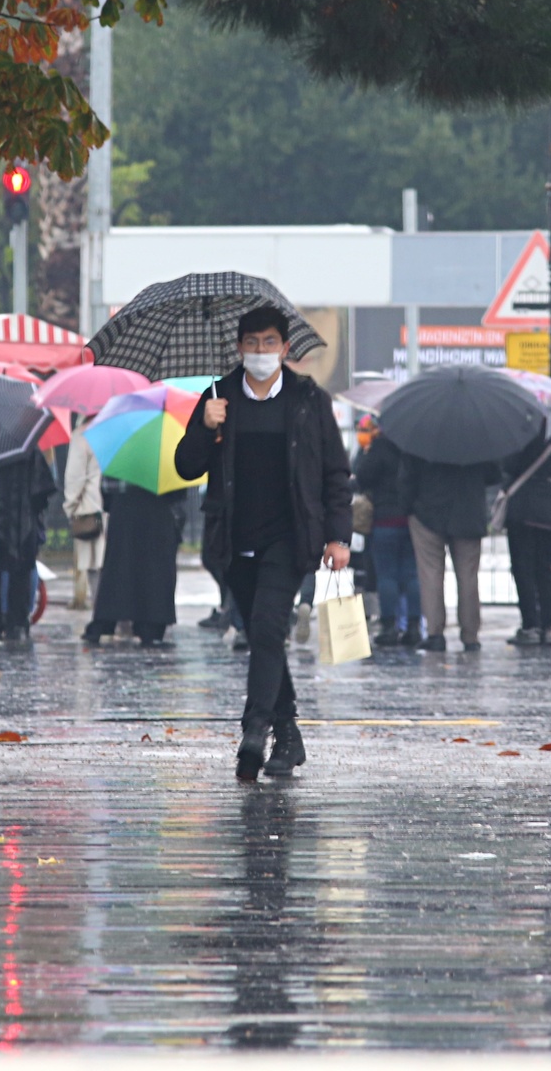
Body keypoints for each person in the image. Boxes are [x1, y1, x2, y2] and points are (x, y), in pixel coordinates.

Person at [173, 306, 352, 782]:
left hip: (290, 538)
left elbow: (335, 471)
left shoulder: (308, 399)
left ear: (285, 348)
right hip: (233, 542)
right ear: (238, 348)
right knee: (262, 636)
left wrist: (339, 535)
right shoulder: (218, 396)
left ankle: (255, 733)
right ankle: (288, 734)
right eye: (250, 344)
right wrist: (205, 427)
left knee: (269, 628)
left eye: (269, 343)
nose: (259, 352)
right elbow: (186, 467)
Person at [402, 454, 499, 652]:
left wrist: (408, 508)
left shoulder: (422, 436)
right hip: (468, 513)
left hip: (428, 512)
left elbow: (407, 478)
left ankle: (435, 633)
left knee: (431, 575)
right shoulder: (477, 438)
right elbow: (493, 474)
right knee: (468, 577)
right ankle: (470, 636)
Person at [81, 480, 186, 648]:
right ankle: (151, 626)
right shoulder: (167, 456)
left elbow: (107, 490)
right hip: (158, 512)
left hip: (124, 512)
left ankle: (105, 621)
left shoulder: (122, 456)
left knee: (119, 569)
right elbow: (179, 491)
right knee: (155, 572)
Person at [501, 427, 551, 646]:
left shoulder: (522, 436)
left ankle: (530, 625)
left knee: (522, 569)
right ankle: (548, 626)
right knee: (544, 569)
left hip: (523, 510)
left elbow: (508, 467)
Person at [355, 424, 419, 646]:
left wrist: (368, 450)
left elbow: (362, 476)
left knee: (387, 575)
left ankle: (389, 627)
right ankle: (413, 627)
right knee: (412, 574)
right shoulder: (415, 444)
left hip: (384, 519)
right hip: (412, 519)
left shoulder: (380, 445)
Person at [0, 448, 55, 643]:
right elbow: (42, 492)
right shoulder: (30, 451)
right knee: (21, 571)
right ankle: (17, 623)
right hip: (24, 525)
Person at [62, 429, 106, 610]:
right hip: (118, 509)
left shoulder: (84, 434)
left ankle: (102, 615)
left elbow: (74, 478)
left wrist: (70, 508)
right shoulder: (123, 429)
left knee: (95, 568)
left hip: (90, 511)